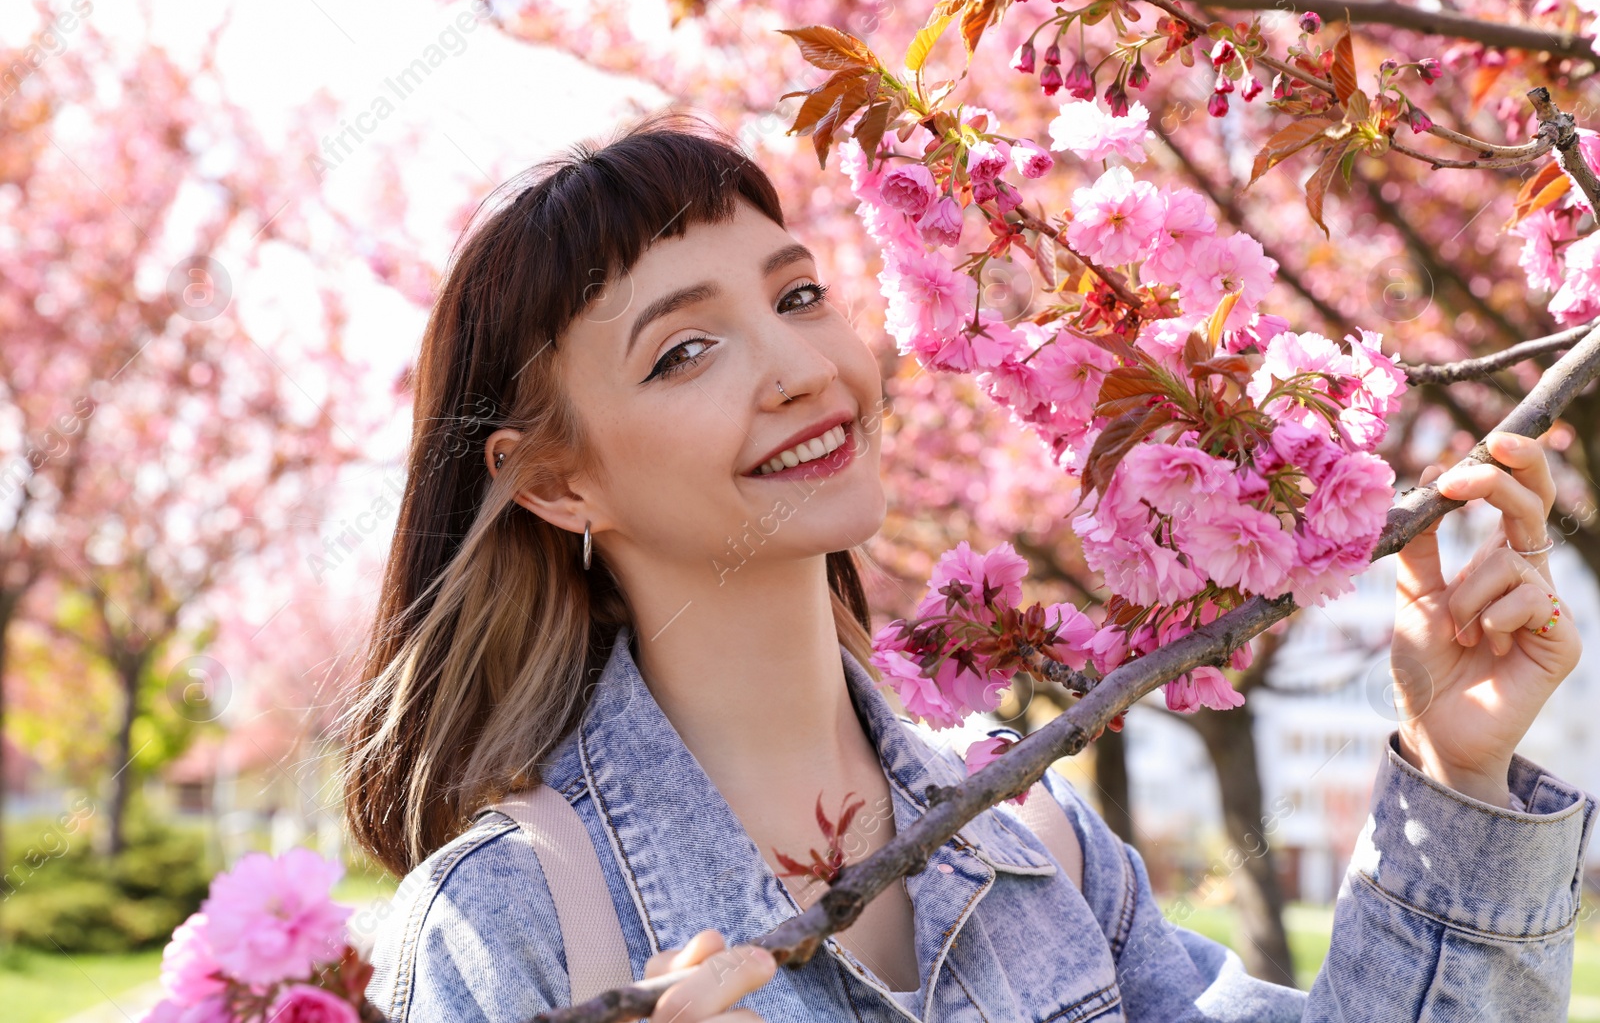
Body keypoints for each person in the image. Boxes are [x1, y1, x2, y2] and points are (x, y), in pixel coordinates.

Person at [341, 110, 1595, 1022]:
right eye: (682, 352)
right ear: (558, 479)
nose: (797, 368)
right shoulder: (512, 921)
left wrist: (1455, 771)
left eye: (797, 296)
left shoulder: (1035, 837)